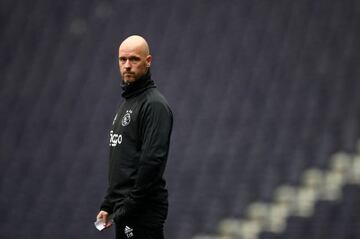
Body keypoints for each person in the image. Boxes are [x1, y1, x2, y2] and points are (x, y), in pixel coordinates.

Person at [96, 35, 173, 239]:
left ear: (148, 61)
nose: (127, 65)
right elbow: (123, 161)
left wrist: (127, 205)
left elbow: (152, 162)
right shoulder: (128, 103)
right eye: (123, 60)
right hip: (126, 210)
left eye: (134, 59)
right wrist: (109, 203)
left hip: (141, 212)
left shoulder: (154, 105)